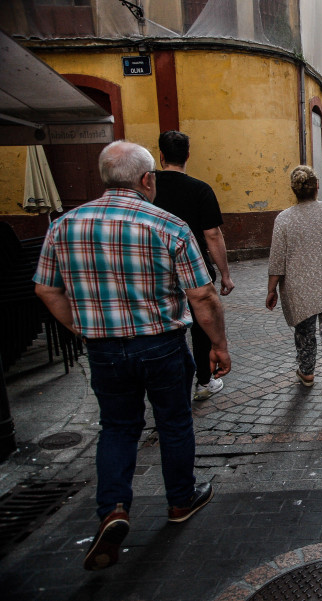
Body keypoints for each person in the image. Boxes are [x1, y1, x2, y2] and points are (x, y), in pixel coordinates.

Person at [33, 140, 231, 571]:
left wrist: (82, 326)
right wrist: (218, 345)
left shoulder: (64, 226)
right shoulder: (168, 226)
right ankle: (180, 500)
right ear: (147, 180)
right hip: (160, 343)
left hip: (103, 348)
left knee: (118, 427)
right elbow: (202, 294)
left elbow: (46, 288)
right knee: (174, 422)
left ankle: (114, 510)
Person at [266, 165, 322, 419]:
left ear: (294, 190)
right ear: (317, 187)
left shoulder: (283, 219)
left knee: (304, 332)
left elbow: (277, 261)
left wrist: (271, 289)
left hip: (298, 289)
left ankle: (306, 373)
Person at [154, 130, 235, 401]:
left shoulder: (147, 186)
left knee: (166, 326)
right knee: (202, 324)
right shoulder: (200, 189)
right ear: (188, 155)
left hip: (155, 271)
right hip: (194, 269)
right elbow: (212, 234)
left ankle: (168, 385)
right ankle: (203, 381)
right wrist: (224, 274)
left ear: (161, 155)